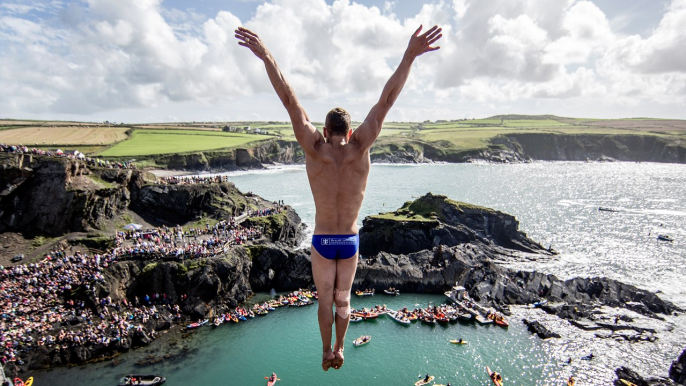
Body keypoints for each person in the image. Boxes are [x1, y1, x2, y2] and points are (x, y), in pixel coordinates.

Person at [235, 24, 442, 371]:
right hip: (348, 239)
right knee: (343, 300)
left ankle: (324, 350)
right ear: (349, 131)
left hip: (321, 239)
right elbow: (387, 100)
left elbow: (289, 99)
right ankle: (341, 348)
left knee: (323, 302)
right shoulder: (361, 147)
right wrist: (409, 56)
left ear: (326, 130)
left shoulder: (314, 149)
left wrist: (266, 55)